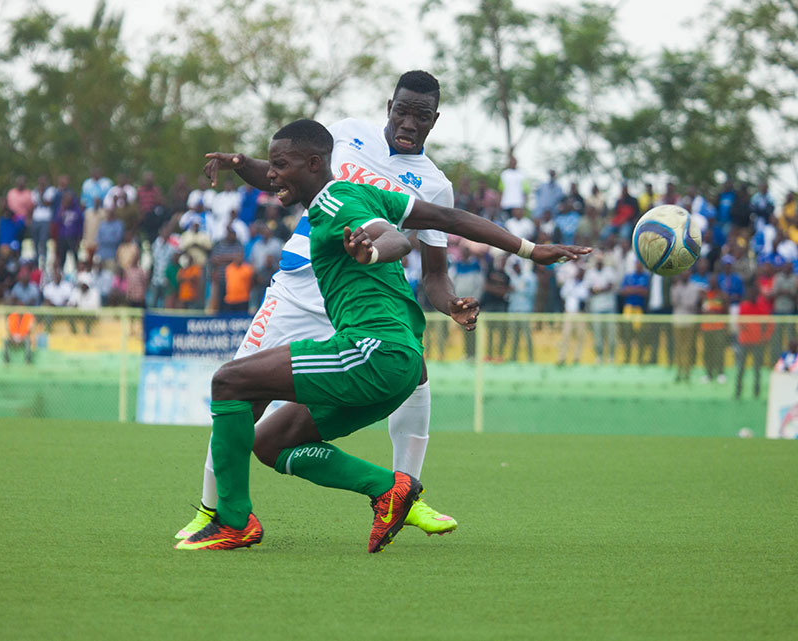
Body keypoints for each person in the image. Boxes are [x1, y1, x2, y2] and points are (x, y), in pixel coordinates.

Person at [175, 119, 589, 552]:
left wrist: (372, 251)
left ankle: (231, 520)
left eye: (280, 165)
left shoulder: (336, 204)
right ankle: (389, 489)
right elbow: (447, 218)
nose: (272, 174)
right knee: (270, 442)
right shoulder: (363, 193)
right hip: (401, 365)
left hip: (371, 353)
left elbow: (393, 239)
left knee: (229, 382)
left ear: (314, 164)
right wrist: (528, 249)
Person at [178, 70, 469, 538]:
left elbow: (435, 274)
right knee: (241, 395)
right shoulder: (349, 133)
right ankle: (213, 510)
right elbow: (288, 173)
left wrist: (451, 303)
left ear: (436, 119)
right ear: (388, 105)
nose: (409, 122)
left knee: (415, 381)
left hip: (363, 301)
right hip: (298, 288)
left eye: (422, 115)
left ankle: (406, 495)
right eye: (402, 110)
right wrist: (240, 163)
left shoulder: (435, 185)